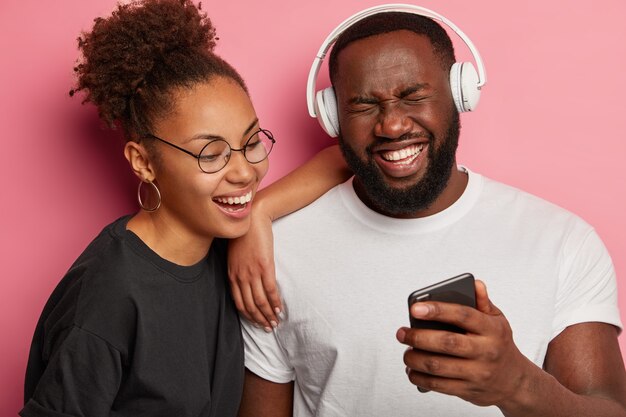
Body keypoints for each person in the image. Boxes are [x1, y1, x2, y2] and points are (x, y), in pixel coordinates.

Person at [231, 8, 626, 417]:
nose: (392, 126)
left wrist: (516, 385)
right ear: (333, 117)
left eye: (413, 95)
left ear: (460, 94)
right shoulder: (273, 257)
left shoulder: (562, 242)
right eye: (363, 106)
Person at [20, 1, 350, 416]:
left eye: (251, 143)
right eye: (210, 155)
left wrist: (260, 214)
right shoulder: (109, 295)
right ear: (143, 162)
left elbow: (347, 157)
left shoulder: (219, 245)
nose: (245, 172)